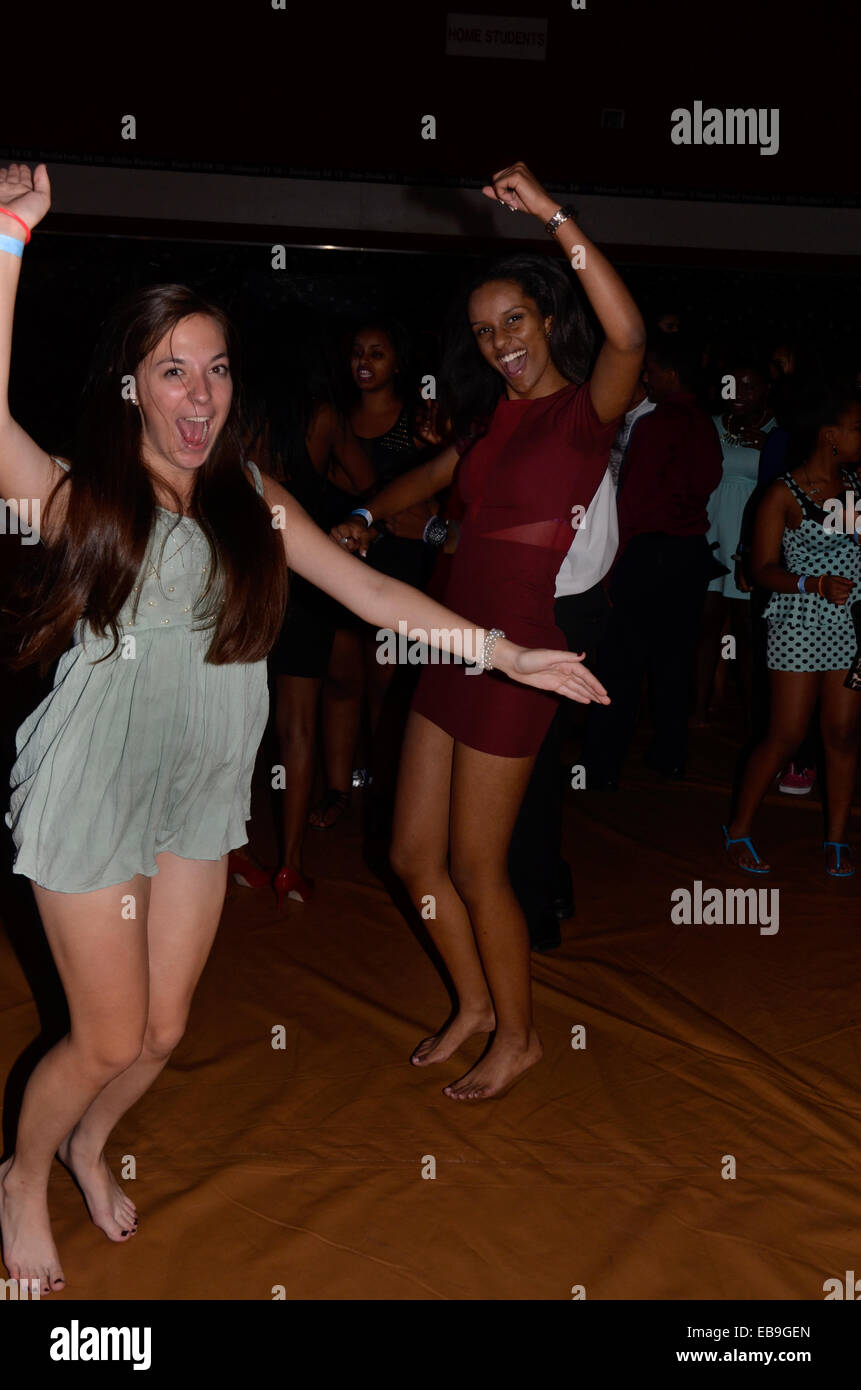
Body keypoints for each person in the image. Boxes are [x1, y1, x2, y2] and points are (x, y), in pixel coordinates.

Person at [0, 162, 610, 1293]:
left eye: (217, 369)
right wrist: (9, 241)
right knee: (99, 1036)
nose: (201, 394)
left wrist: (502, 648)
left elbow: (375, 595)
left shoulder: (255, 498)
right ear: (132, 386)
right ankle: (24, 1174)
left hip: (197, 787)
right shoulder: (83, 494)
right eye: (172, 370)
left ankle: (92, 1139)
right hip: (96, 783)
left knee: (163, 1035)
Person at [336, 160, 645, 1099]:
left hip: (522, 652)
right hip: (453, 642)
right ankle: (472, 1003)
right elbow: (425, 487)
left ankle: (519, 1036)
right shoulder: (486, 425)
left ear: (548, 319)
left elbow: (627, 330)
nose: (501, 341)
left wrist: (552, 214)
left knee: (478, 863)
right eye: (483, 332)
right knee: (409, 854)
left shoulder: (584, 410)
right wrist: (360, 518)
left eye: (514, 320)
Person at [723, 386, 861, 877]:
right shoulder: (783, 492)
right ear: (831, 436)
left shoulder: (857, 489)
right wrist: (815, 583)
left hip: (852, 628)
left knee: (842, 733)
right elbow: (761, 569)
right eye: (857, 428)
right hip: (799, 623)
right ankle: (738, 827)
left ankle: (837, 836)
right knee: (785, 734)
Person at [309, 321, 438, 830]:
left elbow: (433, 496)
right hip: (342, 566)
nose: (364, 362)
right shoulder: (332, 420)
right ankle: (338, 788)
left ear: (398, 362)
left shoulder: (420, 422)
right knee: (341, 680)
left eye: (377, 353)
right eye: (357, 352)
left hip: (400, 571)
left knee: (389, 685)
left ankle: (387, 793)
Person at [581, 333, 723, 785]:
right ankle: (671, 755)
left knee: (621, 662)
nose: (646, 377)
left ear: (671, 374)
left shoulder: (657, 423)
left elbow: (633, 502)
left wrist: (610, 562)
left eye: (652, 371)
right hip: (688, 556)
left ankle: (603, 767)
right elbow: (708, 481)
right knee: (673, 660)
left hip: (649, 554)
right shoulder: (704, 422)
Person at [694, 356, 776, 726]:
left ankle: (753, 717)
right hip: (710, 534)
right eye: (732, 384)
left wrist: (772, 451)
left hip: (750, 539)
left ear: (765, 391)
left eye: (749, 385)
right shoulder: (709, 426)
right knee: (706, 624)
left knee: (747, 630)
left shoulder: (780, 434)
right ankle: (697, 707)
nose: (738, 393)